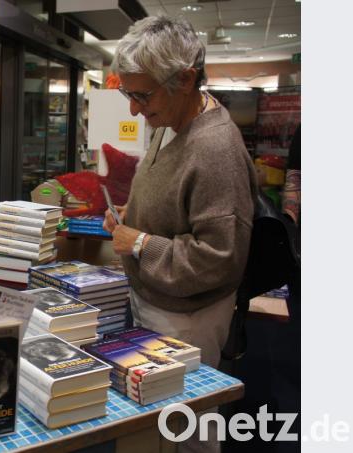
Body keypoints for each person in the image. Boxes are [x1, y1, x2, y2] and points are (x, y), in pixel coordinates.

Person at [103, 15, 256, 453]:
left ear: (185, 78)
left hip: (188, 317)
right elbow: (178, 202)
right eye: (127, 93)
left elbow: (218, 256)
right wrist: (137, 215)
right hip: (157, 302)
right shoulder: (169, 120)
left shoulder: (215, 149)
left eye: (142, 95)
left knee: (189, 433)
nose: (134, 109)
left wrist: (139, 242)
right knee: (157, 426)